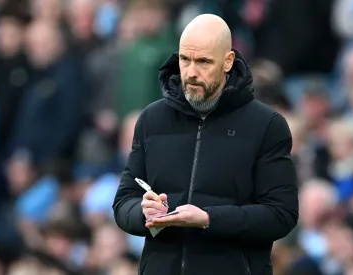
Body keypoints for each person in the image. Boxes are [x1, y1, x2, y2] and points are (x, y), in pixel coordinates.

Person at [113, 14, 299, 275]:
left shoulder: (266, 125)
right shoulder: (152, 120)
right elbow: (123, 202)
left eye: (203, 62)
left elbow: (282, 215)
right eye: (184, 60)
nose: (191, 73)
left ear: (228, 62)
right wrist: (143, 212)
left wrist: (209, 219)